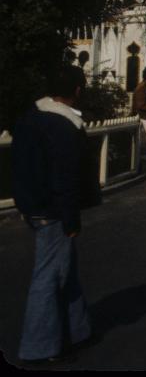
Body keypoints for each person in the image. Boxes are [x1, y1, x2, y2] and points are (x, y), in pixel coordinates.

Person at [11, 64, 102, 365]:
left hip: (33, 205)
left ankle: (78, 330)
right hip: (53, 210)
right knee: (49, 275)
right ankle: (39, 347)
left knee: (65, 268)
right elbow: (65, 177)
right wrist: (71, 217)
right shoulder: (64, 126)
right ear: (77, 91)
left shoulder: (31, 119)